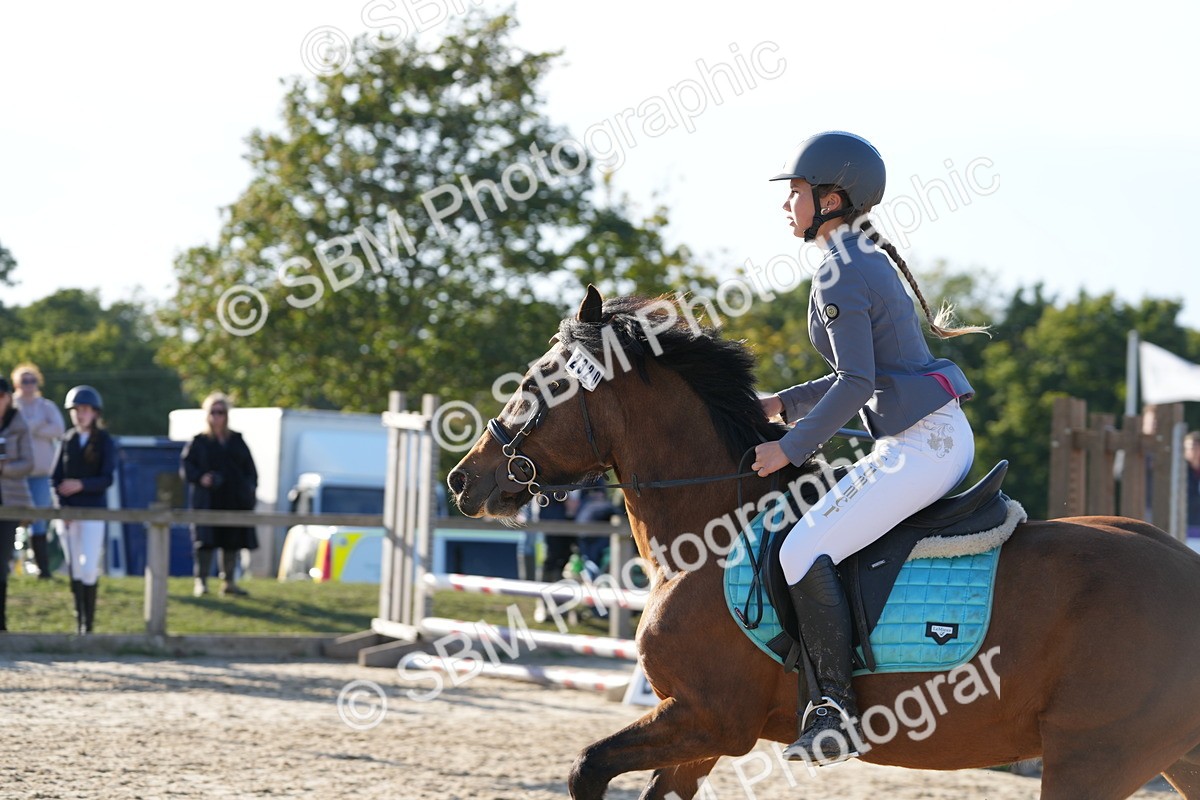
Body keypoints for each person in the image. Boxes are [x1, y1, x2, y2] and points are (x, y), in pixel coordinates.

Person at [752, 132, 988, 764]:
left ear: (831, 198)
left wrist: (789, 449)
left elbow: (857, 383)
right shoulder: (856, 258)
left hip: (921, 446)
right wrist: (782, 404)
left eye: (796, 193)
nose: (787, 205)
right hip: (931, 437)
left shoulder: (840, 269)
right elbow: (859, 375)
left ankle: (832, 711)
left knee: (801, 549)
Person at [52, 385, 116, 634]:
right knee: (74, 567)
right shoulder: (67, 439)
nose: (81, 414)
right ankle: (79, 619)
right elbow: (55, 478)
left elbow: (107, 478)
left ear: (95, 413)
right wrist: (61, 509)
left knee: (89, 566)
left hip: (92, 511)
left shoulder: (104, 441)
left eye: (86, 410)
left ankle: (88, 623)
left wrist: (81, 485)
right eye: (77, 410)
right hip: (68, 514)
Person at [180, 392, 258, 597]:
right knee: (204, 543)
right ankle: (202, 582)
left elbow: (250, 470)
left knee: (231, 542)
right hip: (207, 500)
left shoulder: (236, 441)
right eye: (213, 412)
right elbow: (186, 469)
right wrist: (201, 478)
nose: (217, 416)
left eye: (221, 412)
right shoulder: (199, 442)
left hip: (232, 500)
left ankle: (229, 582)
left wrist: (248, 490)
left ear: (227, 414)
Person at [12, 363, 66, 578]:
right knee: (13, 518)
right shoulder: (11, 405)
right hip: (16, 474)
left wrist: (31, 427)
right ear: (16, 383)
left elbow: (59, 429)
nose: (28, 385)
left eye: (32, 380)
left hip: (42, 474)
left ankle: (43, 569)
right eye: (24, 381)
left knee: (40, 518)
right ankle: (9, 566)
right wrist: (38, 426)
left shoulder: (46, 406)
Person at [0, 376, 36, 631]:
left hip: (10, 499)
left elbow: (29, 462)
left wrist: (5, 468)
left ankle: (1, 621)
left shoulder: (18, 422)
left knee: (2, 560)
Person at [1185, 431, 1200, 538]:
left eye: (1195, 447)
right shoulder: (1179, 472)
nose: (1192, 451)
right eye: (1189, 447)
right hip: (1186, 524)